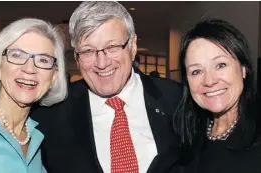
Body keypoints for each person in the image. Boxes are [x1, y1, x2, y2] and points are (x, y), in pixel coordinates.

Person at [31, 1, 183, 173]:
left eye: (112, 47)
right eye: (88, 51)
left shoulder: (178, 101)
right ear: (76, 56)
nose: (102, 63)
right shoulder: (49, 116)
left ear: (132, 46)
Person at [0, 18, 67, 173]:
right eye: (17, 55)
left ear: (53, 77)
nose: (29, 69)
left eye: (43, 60)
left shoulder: (35, 136)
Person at [174, 18, 261, 173]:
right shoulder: (185, 137)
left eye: (220, 65)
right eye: (197, 71)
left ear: (243, 70)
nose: (209, 81)